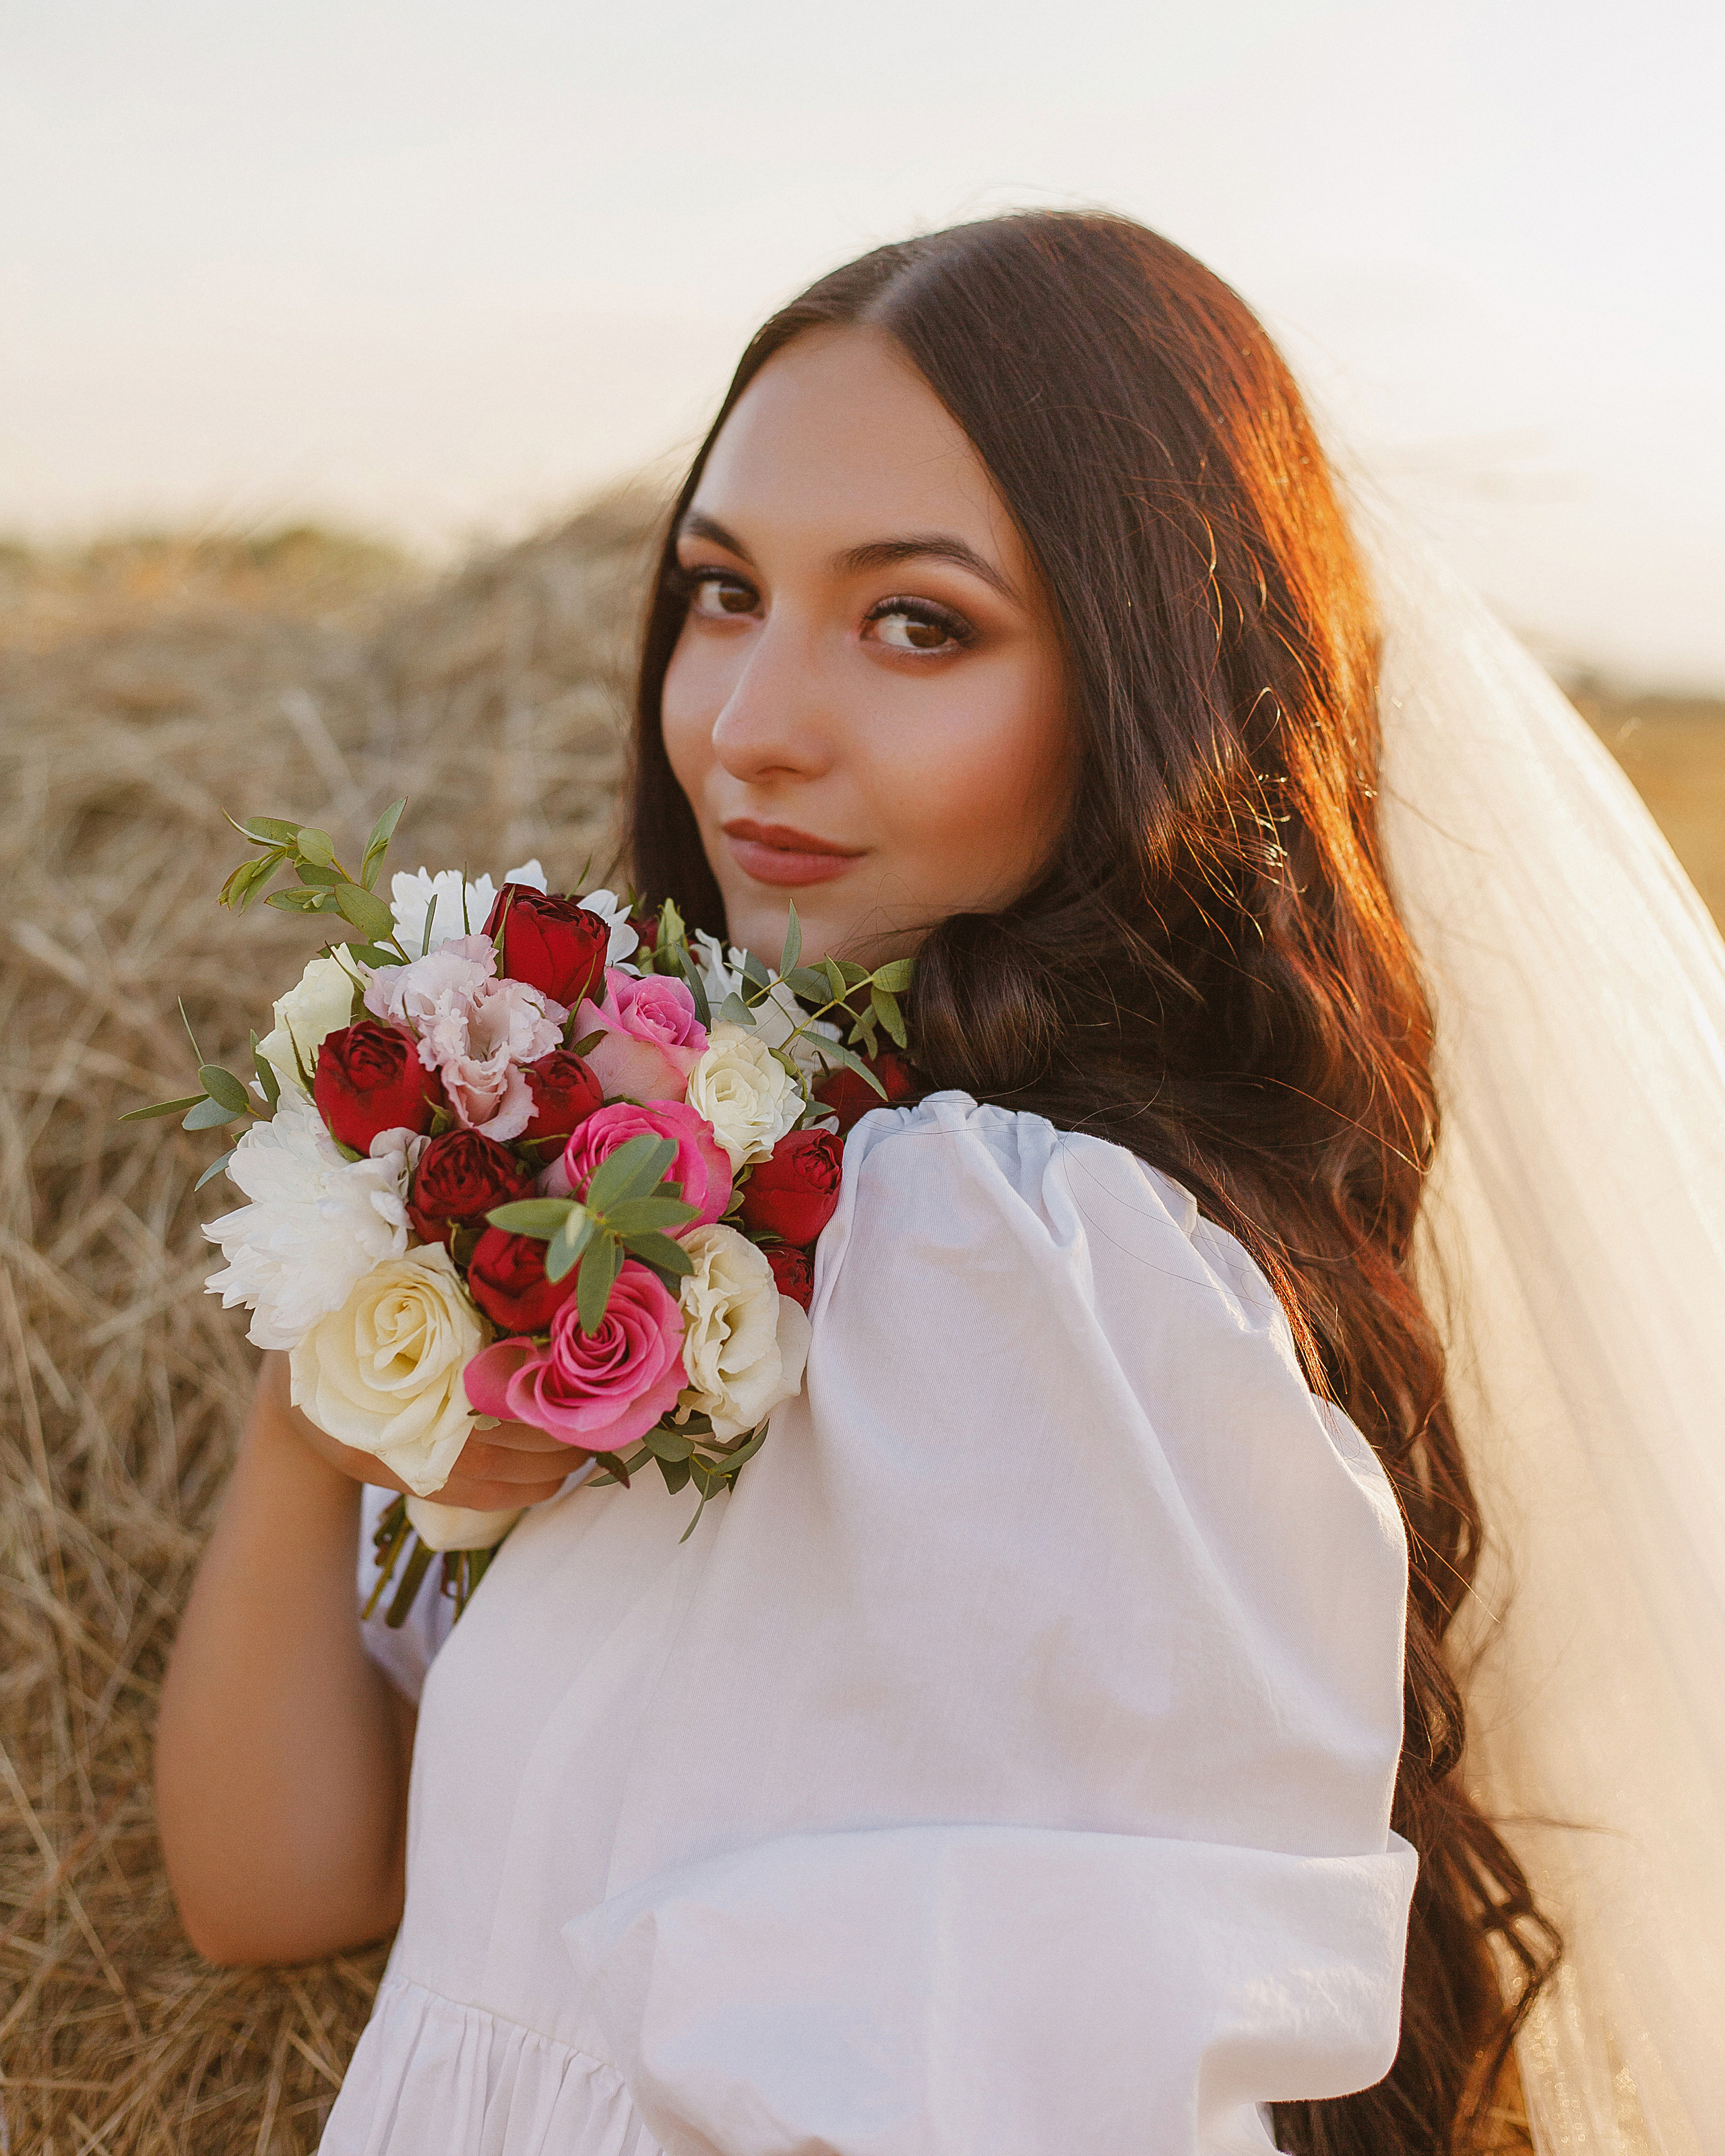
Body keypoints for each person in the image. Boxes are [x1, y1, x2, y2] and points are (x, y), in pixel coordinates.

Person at [154, 212, 1725, 2155]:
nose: (749, 727)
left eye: (920, 624)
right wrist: (337, 1390)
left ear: (1153, 693)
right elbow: (279, 1895)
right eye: (723, 594)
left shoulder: (1021, 1268)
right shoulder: (703, 1198)